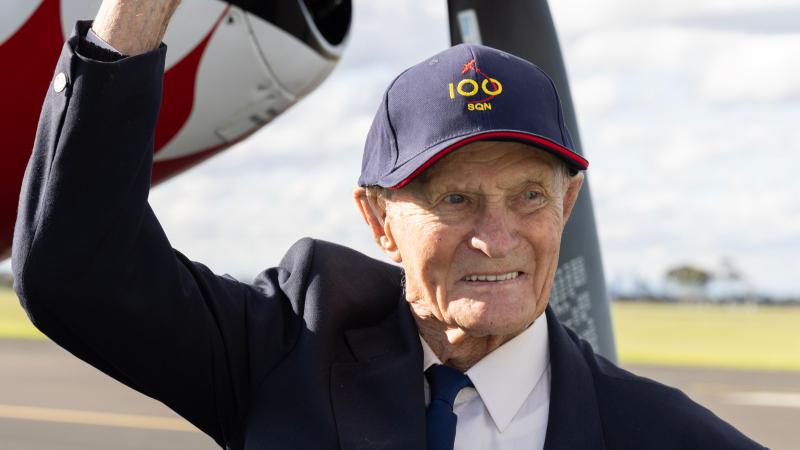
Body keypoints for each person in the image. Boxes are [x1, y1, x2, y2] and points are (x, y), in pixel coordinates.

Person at [12, 1, 765, 449]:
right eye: (455, 199)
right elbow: (78, 272)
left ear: (569, 206)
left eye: (530, 196)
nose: (496, 237)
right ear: (377, 218)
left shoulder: (664, 435)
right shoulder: (289, 352)